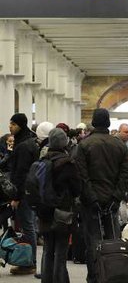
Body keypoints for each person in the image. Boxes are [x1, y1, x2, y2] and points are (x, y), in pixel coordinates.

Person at [76, 108, 128, 283]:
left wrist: (91, 198)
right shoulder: (119, 145)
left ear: (93, 122)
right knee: (113, 240)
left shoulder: (84, 145)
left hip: (91, 202)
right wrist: (116, 198)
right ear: (108, 123)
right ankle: (113, 276)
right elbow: (125, 175)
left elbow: (82, 176)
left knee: (93, 241)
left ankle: (94, 277)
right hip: (112, 201)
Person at [39, 128, 81, 283]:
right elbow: (77, 189)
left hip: (44, 211)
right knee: (60, 251)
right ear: (64, 142)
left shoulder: (42, 161)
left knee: (47, 250)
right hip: (63, 211)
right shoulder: (67, 163)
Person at [9, 113, 39, 275]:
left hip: (25, 193)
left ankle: (30, 263)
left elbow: (21, 173)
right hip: (29, 191)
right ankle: (27, 261)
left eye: (13, 124)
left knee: (28, 227)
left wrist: (16, 197)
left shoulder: (24, 145)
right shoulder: (27, 141)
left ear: (20, 125)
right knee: (29, 226)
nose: (10, 126)